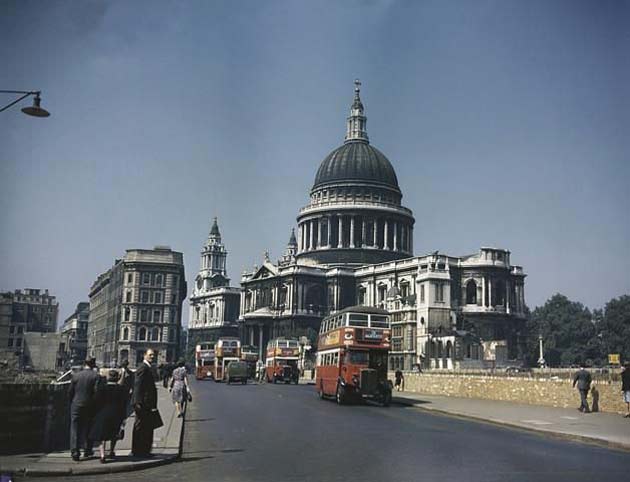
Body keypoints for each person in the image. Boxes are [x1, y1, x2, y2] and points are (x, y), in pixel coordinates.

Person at [89, 370, 128, 463]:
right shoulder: (121, 389)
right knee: (114, 434)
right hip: (116, 414)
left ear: (108, 378)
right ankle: (111, 451)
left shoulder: (102, 388)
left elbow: (95, 401)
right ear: (117, 378)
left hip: (103, 414)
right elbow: (124, 403)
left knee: (102, 436)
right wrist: (124, 416)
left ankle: (102, 456)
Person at [68, 358, 101, 461]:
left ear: (84, 363)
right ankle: (87, 449)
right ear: (93, 364)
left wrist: (73, 402)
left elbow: (70, 392)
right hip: (90, 405)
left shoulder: (76, 375)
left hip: (76, 404)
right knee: (89, 427)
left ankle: (75, 451)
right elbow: (97, 393)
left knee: (75, 427)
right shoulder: (96, 376)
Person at [132, 348, 157, 457]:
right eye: (150, 355)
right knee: (140, 427)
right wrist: (137, 402)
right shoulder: (143, 368)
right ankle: (138, 450)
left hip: (147, 403)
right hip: (143, 404)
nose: (152, 357)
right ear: (144, 355)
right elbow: (138, 385)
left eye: (153, 355)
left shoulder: (147, 367)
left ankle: (144, 450)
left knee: (146, 427)